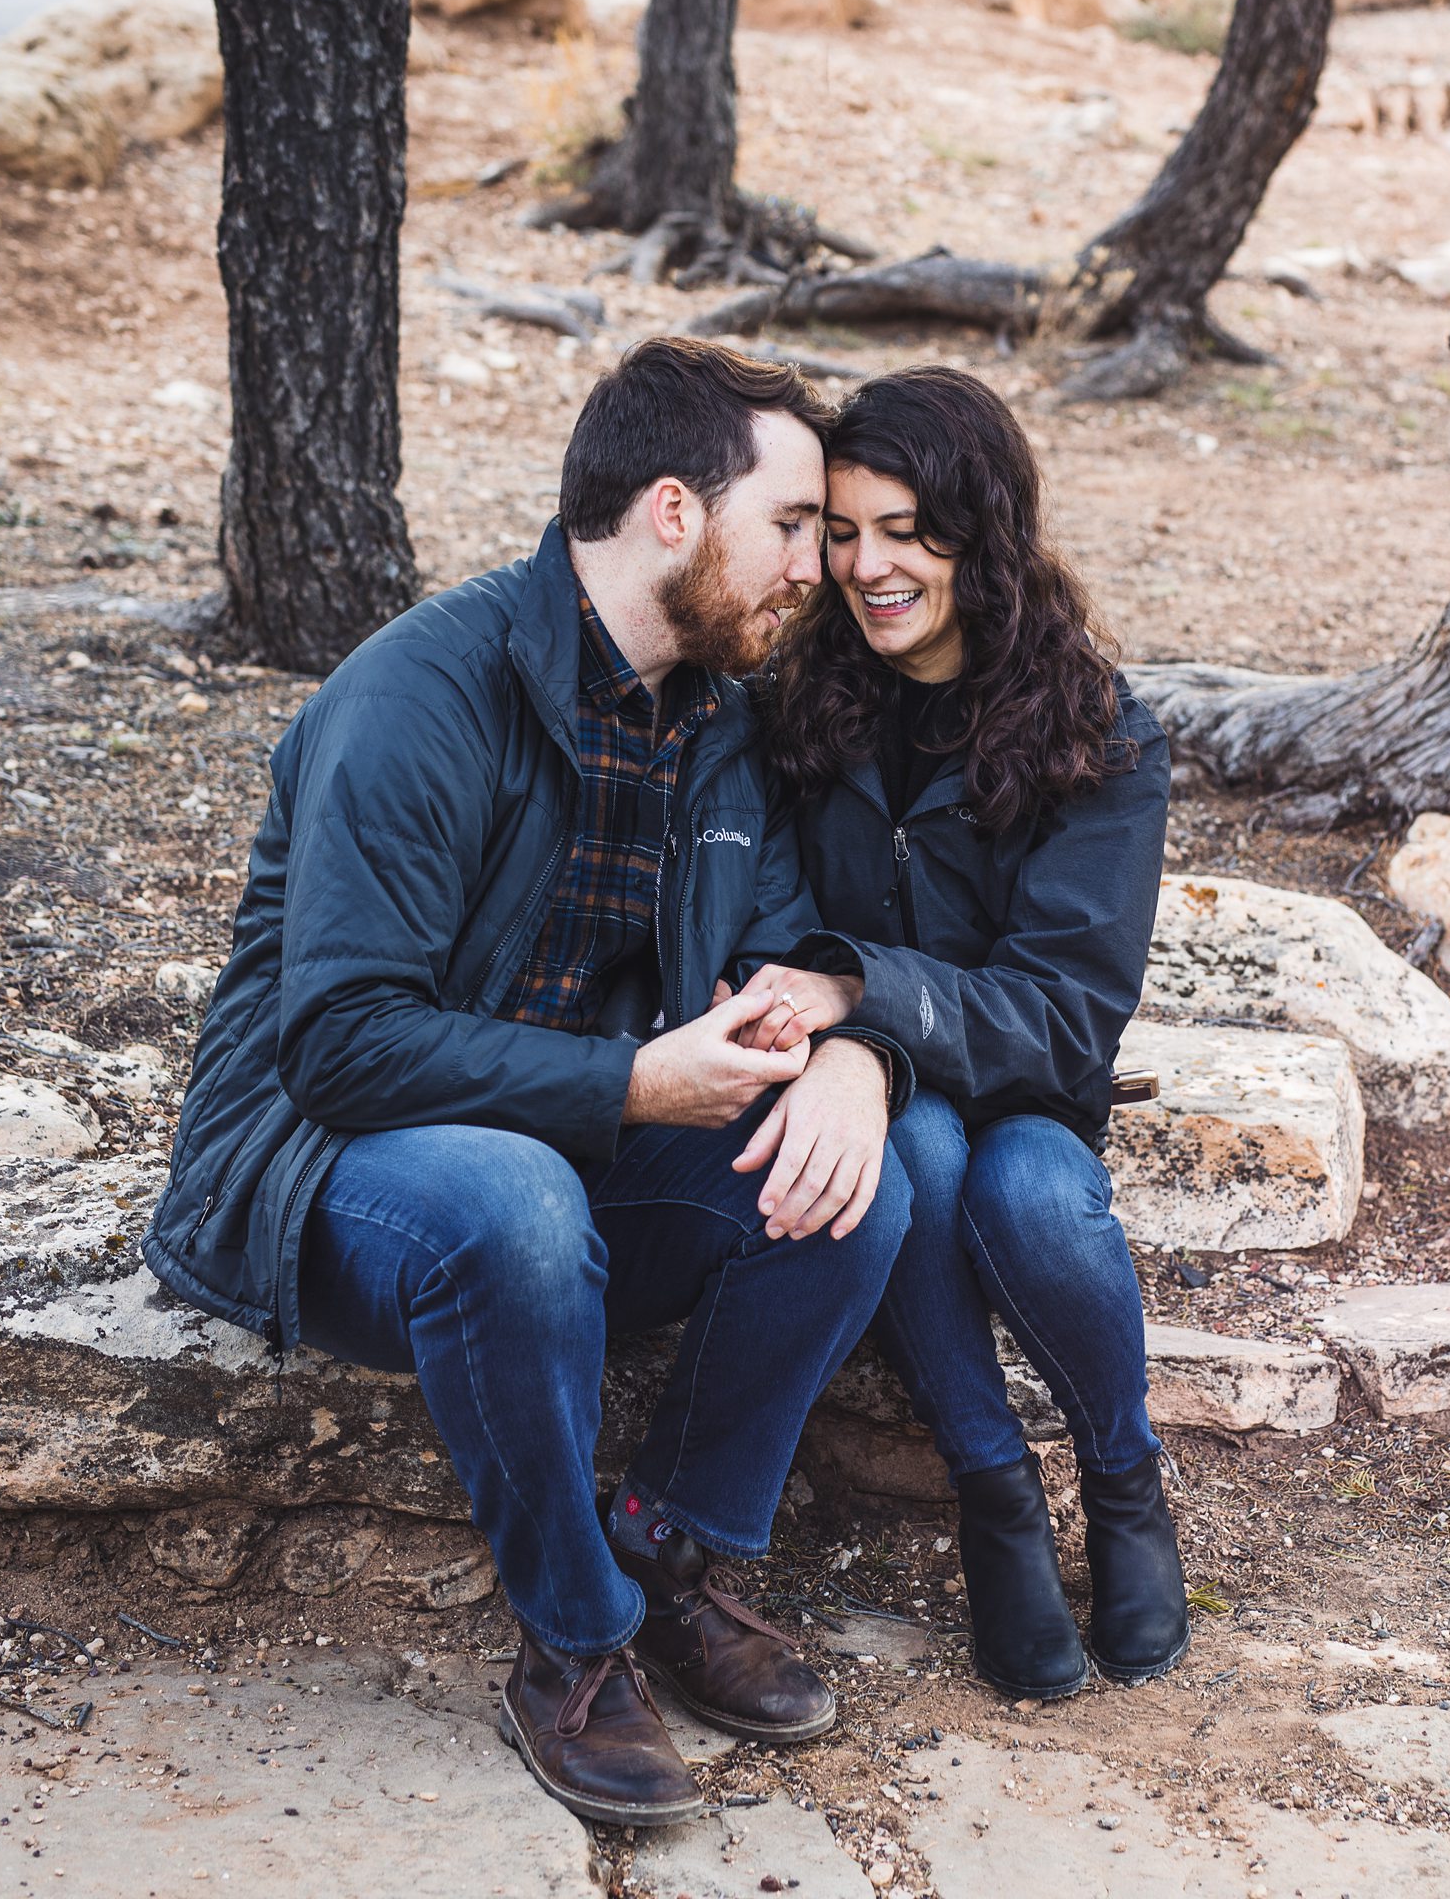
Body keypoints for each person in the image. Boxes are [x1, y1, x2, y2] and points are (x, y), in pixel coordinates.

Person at [146, 339, 912, 1828]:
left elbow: (772, 961)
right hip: (319, 1165)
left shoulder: (718, 721)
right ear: (677, 515)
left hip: (565, 1155)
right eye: (795, 526)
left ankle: (671, 1552)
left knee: (857, 1182)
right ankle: (576, 1643)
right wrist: (631, 1080)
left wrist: (838, 1057)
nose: (815, 567)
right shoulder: (423, 691)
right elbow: (343, 1043)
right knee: (516, 1199)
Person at [762, 365, 1187, 1699]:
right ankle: (992, 1484)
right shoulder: (794, 704)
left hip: (1029, 1091)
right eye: (841, 530)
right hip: (874, 1095)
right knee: (918, 1160)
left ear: (981, 532)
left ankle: (1122, 1480)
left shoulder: (1096, 730)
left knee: (1027, 1189)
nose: (866, 568)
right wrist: (856, 1037)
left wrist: (859, 1002)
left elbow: (1068, 1014)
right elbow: (758, 928)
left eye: (906, 533)